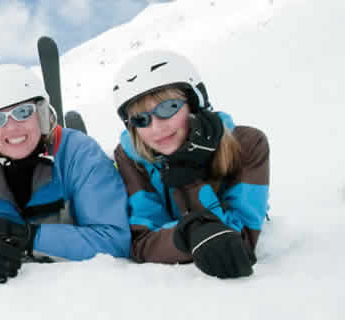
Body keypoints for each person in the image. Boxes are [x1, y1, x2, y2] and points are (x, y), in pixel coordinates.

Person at [0, 64, 131, 284]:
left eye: (22, 112)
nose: (12, 128)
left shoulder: (78, 154)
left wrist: (30, 237)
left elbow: (113, 239)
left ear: (41, 113)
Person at [111, 50, 270, 278]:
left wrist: (192, 179)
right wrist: (187, 234)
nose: (156, 128)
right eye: (141, 119)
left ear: (195, 103)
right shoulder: (131, 158)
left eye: (168, 108)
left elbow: (239, 242)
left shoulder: (248, 144)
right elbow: (142, 241)